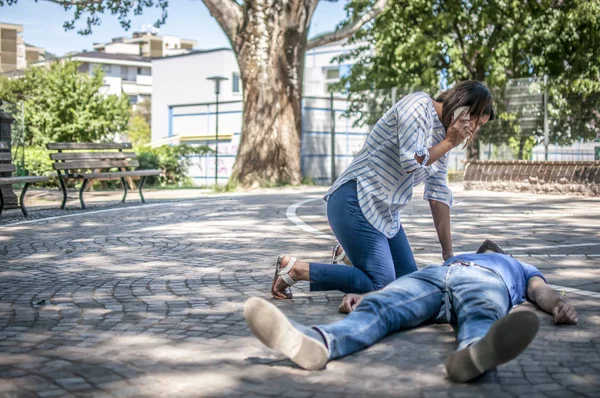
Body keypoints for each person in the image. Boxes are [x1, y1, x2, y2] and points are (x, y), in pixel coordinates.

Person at [272, 81, 495, 299]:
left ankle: (346, 259)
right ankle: (296, 269)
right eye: (475, 122)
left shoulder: (443, 137)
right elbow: (411, 161)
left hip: (385, 214)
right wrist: (449, 142)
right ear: (462, 108)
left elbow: (438, 194)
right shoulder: (418, 106)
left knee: (409, 284)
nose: (473, 131)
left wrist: (448, 254)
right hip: (355, 200)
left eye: (479, 126)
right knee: (382, 283)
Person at [248, 242, 578, 382]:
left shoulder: (517, 266)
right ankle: (318, 342)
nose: (487, 249)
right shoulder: (460, 255)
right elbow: (398, 290)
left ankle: (473, 356)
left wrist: (558, 304)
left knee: (481, 314)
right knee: (383, 306)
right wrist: (370, 295)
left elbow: (539, 291)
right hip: (435, 274)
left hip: (485, 283)